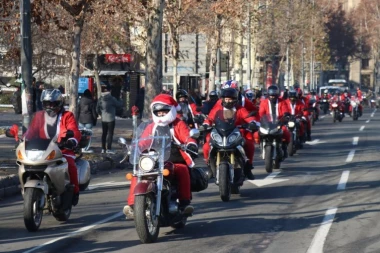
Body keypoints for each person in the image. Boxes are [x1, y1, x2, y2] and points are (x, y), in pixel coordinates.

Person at [123, 94, 198, 219]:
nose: (161, 114)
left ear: (171, 110)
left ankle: (184, 203)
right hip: (154, 159)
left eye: (164, 111)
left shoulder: (178, 124)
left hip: (173, 158)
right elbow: (143, 140)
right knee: (138, 174)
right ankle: (132, 205)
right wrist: (135, 148)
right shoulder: (152, 126)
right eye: (159, 112)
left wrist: (191, 144)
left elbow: (187, 136)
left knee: (183, 170)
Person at [23, 89, 81, 206]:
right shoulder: (39, 116)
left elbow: (74, 130)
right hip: (42, 149)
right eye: (47, 103)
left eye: (53, 104)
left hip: (62, 149)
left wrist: (71, 140)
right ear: (43, 104)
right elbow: (31, 131)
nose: (50, 107)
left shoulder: (67, 115)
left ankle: (75, 191)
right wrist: (23, 140)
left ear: (59, 103)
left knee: (70, 164)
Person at [202, 88, 259, 180]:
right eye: (226, 99)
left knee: (249, 144)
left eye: (230, 99)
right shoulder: (217, 108)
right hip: (219, 132)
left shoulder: (240, 109)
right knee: (206, 146)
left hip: (236, 132)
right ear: (223, 99)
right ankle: (209, 166)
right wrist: (205, 124)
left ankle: (248, 167)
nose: (228, 101)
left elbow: (248, 117)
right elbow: (209, 118)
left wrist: (252, 122)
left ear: (235, 99)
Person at [255, 85, 291, 156]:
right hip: (266, 124)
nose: (272, 97)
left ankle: (284, 147)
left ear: (277, 95)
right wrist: (260, 120)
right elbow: (261, 113)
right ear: (268, 94)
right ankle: (261, 145)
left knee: (286, 132)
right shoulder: (264, 102)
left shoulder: (282, 102)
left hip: (278, 123)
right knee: (256, 134)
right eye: (271, 95)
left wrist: (286, 116)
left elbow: (285, 110)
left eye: (274, 95)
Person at [97, 88, 123, 154]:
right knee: (110, 134)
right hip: (111, 119)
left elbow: (97, 108)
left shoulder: (100, 99)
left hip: (103, 119)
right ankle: (108, 148)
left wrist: (101, 114)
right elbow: (119, 105)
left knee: (104, 134)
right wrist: (121, 99)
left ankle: (103, 148)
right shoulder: (112, 99)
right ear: (109, 92)